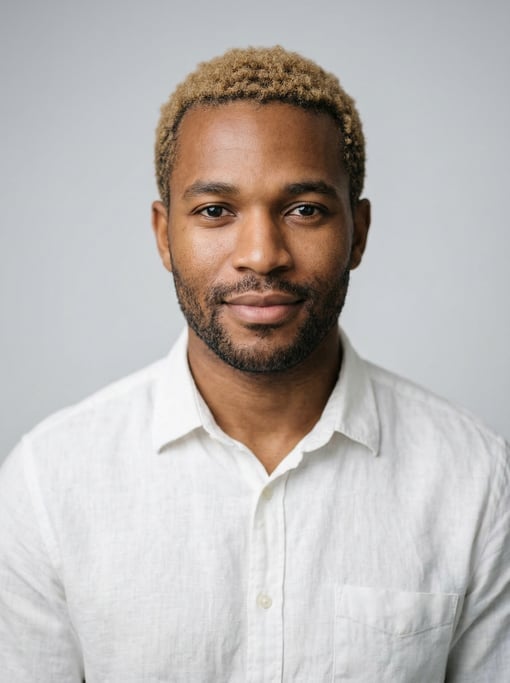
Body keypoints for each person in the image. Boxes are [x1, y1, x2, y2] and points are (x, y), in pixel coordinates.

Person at [0, 45, 508, 683]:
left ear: (359, 232)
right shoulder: (49, 484)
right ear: (164, 235)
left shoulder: (476, 481)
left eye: (305, 210)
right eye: (216, 211)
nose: (262, 255)